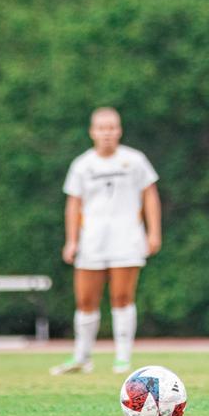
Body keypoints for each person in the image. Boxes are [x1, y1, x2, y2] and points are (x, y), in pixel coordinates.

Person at [50, 107, 162, 375]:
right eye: (102, 128)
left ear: (119, 130)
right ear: (92, 132)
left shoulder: (135, 160)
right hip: (93, 241)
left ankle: (122, 358)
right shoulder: (82, 164)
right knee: (86, 300)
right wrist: (71, 240)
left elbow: (150, 196)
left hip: (127, 238)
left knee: (122, 297)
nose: (107, 133)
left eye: (112, 127)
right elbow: (73, 204)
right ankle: (81, 357)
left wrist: (153, 232)